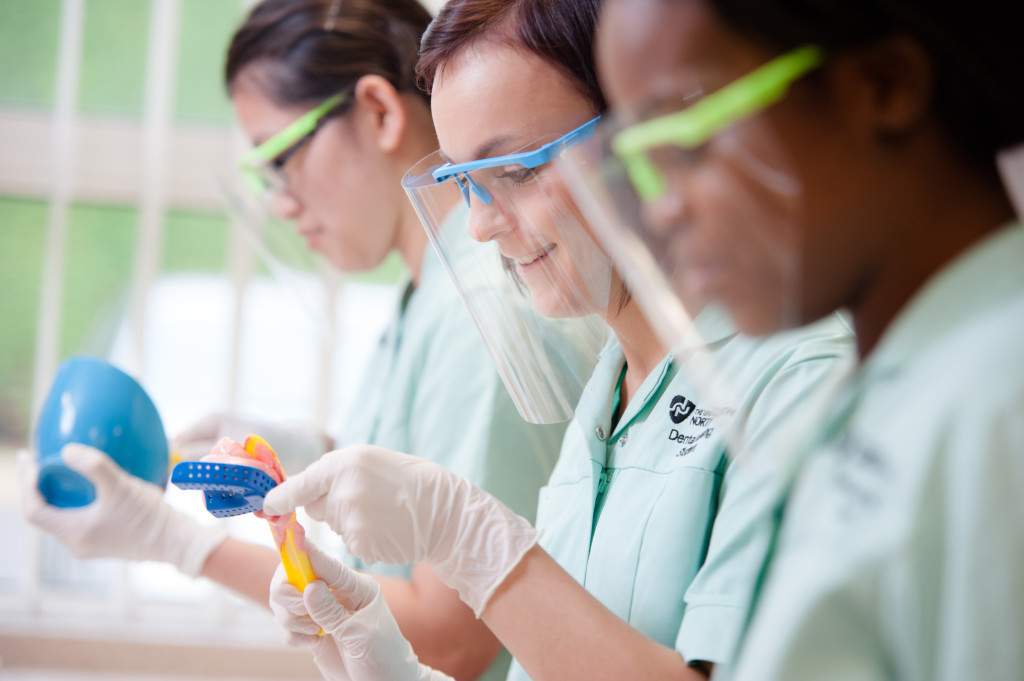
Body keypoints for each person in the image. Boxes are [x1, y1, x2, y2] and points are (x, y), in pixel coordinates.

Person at [259, 1, 855, 680]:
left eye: (513, 172)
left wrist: (470, 544)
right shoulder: (606, 400)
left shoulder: (796, 380)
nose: (480, 227)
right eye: (465, 184)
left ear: (647, 135)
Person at [18, 2, 569, 680]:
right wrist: (307, 457)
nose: (279, 201)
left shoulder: (477, 301)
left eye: (281, 157)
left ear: (378, 112)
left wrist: (184, 546)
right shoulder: (426, 292)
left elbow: (453, 634)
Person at [584, 1, 1024, 679]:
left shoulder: (1001, 400)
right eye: (642, 163)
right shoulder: (876, 379)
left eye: (689, 143)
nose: (661, 206)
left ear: (884, 82)